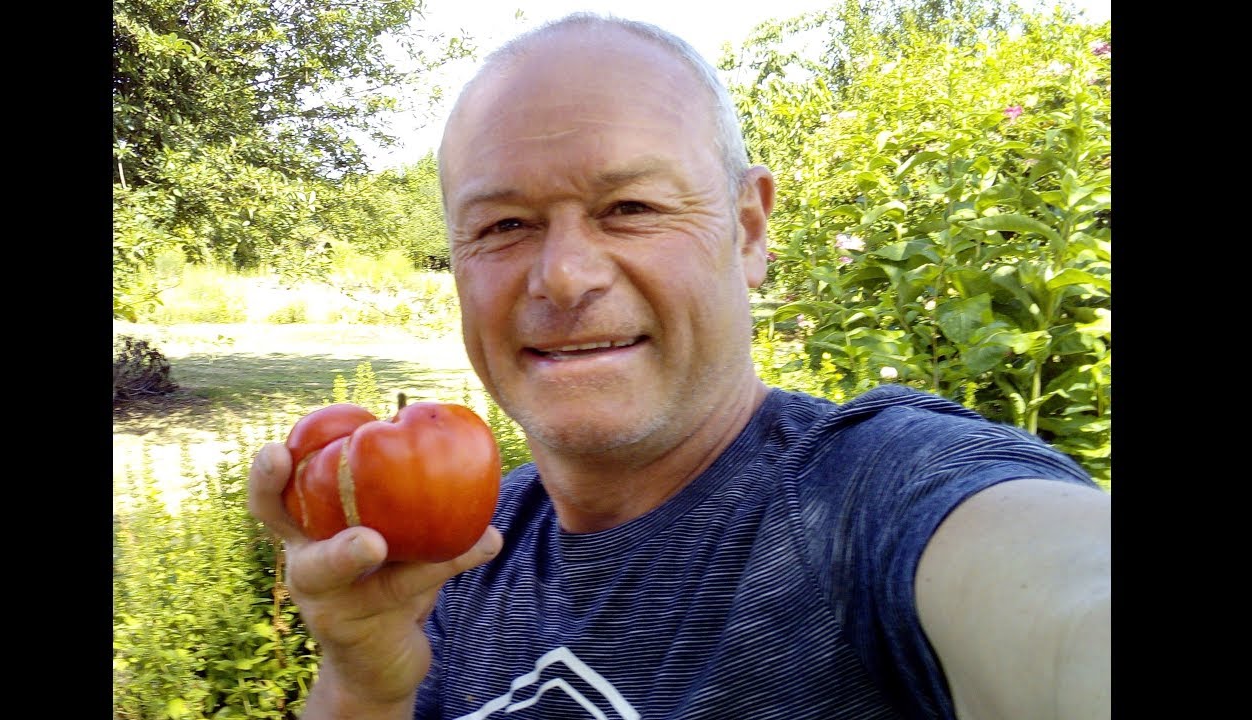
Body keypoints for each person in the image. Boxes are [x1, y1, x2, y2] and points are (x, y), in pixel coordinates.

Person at [247, 12, 1110, 719]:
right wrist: (362, 684)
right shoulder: (452, 555)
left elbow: (1067, 600)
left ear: (749, 230)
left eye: (630, 207)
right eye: (504, 225)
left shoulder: (872, 497)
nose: (563, 276)